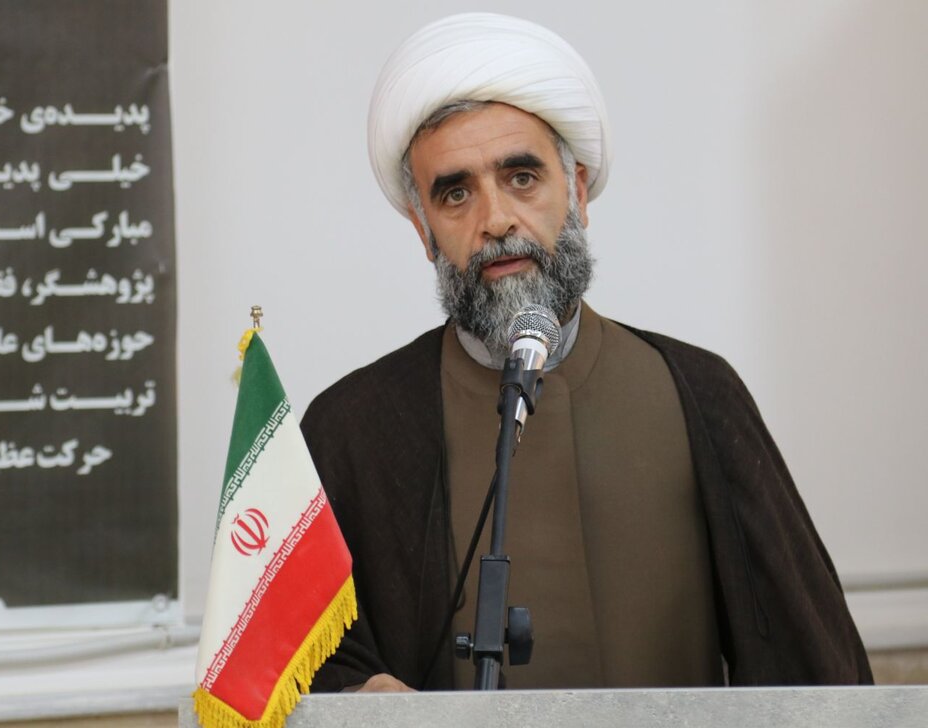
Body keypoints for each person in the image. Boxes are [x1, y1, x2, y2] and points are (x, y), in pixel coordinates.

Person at [301, 12, 872, 693]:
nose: (496, 220)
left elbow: (809, 661)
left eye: (521, 178)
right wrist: (359, 696)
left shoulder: (697, 393)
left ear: (575, 191)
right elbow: (294, 662)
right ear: (423, 231)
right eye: (455, 194)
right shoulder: (353, 427)